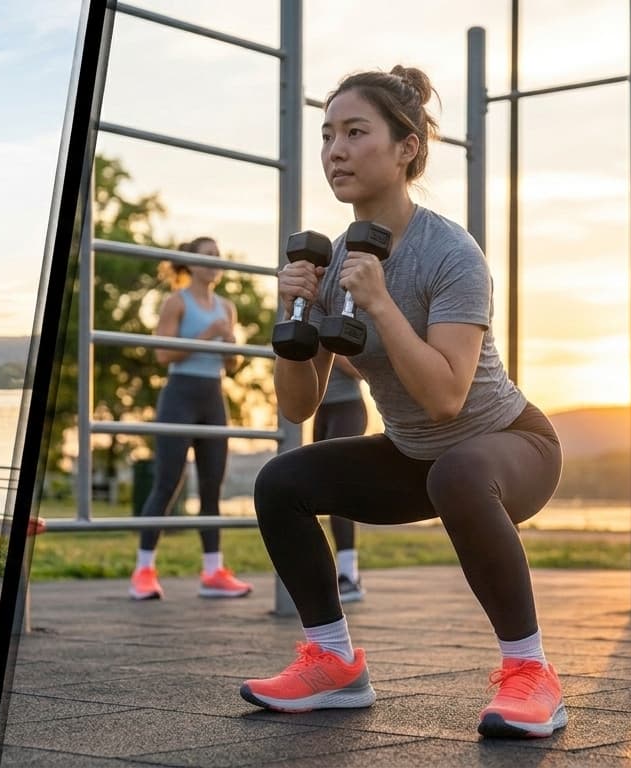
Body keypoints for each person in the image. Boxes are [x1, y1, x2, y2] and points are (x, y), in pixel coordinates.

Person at [239, 66, 566, 740]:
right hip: (419, 456)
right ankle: (333, 663)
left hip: (511, 446)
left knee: (459, 469)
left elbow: (447, 395)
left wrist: (381, 302)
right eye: (328, 134)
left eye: (356, 132)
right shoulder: (336, 264)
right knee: (281, 481)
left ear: (407, 147)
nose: (335, 149)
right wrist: (294, 317)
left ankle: (531, 674)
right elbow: (299, 408)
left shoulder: (451, 253)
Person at [129, 237, 253, 601]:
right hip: (179, 396)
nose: (215, 262)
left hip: (213, 397)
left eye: (218, 255)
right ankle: (143, 570)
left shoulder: (227, 308)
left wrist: (230, 349)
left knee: (212, 487)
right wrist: (207, 335)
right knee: (167, 484)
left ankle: (213, 572)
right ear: (190, 263)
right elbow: (163, 354)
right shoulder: (176, 301)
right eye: (207, 256)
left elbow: (231, 366)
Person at [314, 358, 369, 602]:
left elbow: (363, 370)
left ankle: (349, 575)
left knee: (338, 488)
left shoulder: (347, 319)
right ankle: (333, 573)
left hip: (348, 408)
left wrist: (332, 351)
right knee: (320, 490)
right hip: (321, 409)